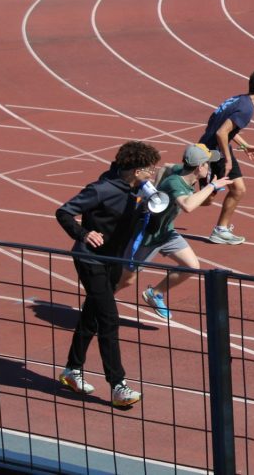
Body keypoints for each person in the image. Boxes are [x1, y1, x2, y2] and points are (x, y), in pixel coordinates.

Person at [56, 140, 161, 408]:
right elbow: (64, 212)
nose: (153, 173)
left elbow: (152, 228)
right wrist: (83, 233)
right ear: (137, 171)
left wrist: (153, 207)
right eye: (150, 169)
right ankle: (118, 385)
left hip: (114, 260)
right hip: (90, 259)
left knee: (92, 315)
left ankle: (71, 370)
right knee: (109, 319)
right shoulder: (101, 189)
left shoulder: (138, 192)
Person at [116, 143, 232, 321]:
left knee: (191, 266)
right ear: (199, 167)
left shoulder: (182, 171)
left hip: (166, 232)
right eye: (207, 164)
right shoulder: (175, 183)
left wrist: (155, 188)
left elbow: (166, 166)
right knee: (126, 280)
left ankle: (155, 293)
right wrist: (212, 186)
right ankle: (95, 303)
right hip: (148, 235)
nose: (209, 167)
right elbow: (187, 206)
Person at [199, 70, 254, 245]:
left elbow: (225, 128)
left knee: (237, 190)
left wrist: (244, 145)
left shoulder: (240, 99)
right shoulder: (246, 109)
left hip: (217, 148)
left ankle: (221, 230)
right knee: (208, 199)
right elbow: (221, 132)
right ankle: (167, 202)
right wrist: (227, 159)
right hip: (213, 153)